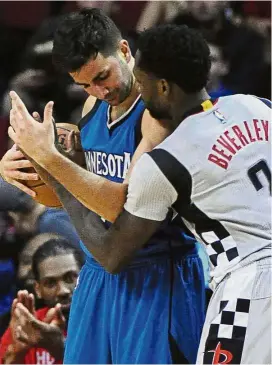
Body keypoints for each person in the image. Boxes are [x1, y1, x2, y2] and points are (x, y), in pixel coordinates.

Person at [8, 23, 271, 364]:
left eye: (141, 81)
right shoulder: (255, 105)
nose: (100, 91)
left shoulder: (167, 154)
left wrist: (51, 165)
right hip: (116, 275)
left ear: (161, 85)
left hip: (229, 281)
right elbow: (90, 194)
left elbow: (113, 246)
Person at [0, 237, 83, 364]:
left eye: (70, 278)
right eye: (50, 283)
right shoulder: (26, 326)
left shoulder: (105, 321)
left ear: (86, 278)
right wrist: (17, 354)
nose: (63, 291)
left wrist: (62, 348)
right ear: (38, 289)